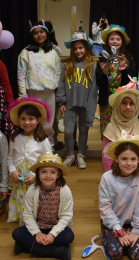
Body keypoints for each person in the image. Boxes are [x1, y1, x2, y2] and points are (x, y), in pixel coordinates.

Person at [12, 153, 74, 260]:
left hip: (56, 228)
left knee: (69, 236)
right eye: (44, 172)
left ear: (58, 174)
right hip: (38, 226)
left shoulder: (65, 190)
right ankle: (57, 252)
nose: (48, 176)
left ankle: (25, 247)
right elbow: (27, 214)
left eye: (53, 172)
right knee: (16, 233)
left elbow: (66, 216)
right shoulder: (32, 190)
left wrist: (52, 234)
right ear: (38, 174)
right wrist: (37, 233)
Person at [100, 132, 139, 260]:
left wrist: (136, 230)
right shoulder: (107, 178)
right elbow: (105, 207)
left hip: (138, 222)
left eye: (133, 159)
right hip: (113, 222)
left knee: (137, 255)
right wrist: (118, 230)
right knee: (115, 254)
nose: (129, 163)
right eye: (124, 159)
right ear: (116, 159)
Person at [7, 97, 53, 225]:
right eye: (23, 118)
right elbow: (10, 158)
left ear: (38, 120)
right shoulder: (14, 138)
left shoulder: (42, 140)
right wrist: (13, 171)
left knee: (35, 199)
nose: (27, 122)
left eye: (31, 119)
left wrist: (35, 175)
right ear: (18, 120)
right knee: (22, 198)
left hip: (37, 178)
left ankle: (36, 220)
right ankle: (23, 219)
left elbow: (49, 160)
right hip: (20, 179)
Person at [56, 30, 97, 169]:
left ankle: (80, 154)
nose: (78, 51)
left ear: (86, 48)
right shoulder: (67, 65)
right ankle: (70, 155)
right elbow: (61, 84)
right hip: (69, 104)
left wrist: (91, 106)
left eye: (81, 48)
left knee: (84, 130)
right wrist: (61, 101)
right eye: (75, 48)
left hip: (85, 104)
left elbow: (93, 89)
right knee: (68, 131)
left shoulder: (91, 66)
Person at [17, 20, 62, 146]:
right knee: (33, 120)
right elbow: (21, 74)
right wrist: (23, 95)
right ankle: (34, 147)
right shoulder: (26, 52)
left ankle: (49, 147)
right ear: (32, 36)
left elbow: (58, 72)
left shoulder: (53, 52)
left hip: (50, 93)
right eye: (35, 33)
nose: (39, 35)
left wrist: (56, 88)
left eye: (41, 32)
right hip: (33, 93)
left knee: (48, 122)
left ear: (46, 33)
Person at [102, 77, 139, 171]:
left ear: (136, 106)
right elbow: (106, 157)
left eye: (132, 103)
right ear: (118, 105)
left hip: (137, 175)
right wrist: (113, 176)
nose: (128, 107)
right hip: (116, 175)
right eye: (124, 103)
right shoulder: (111, 128)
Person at [96, 25, 136, 140]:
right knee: (106, 128)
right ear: (108, 41)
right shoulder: (102, 59)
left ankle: (121, 154)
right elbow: (98, 82)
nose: (115, 41)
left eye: (118, 39)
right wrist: (104, 73)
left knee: (122, 127)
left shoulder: (128, 59)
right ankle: (107, 154)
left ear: (122, 41)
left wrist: (124, 69)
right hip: (106, 99)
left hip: (123, 99)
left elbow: (131, 82)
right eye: (112, 39)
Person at [45, 20, 65, 151]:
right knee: (46, 118)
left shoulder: (55, 49)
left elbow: (60, 70)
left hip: (54, 88)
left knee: (53, 118)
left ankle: (54, 142)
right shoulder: (33, 50)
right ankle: (46, 144)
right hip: (41, 88)